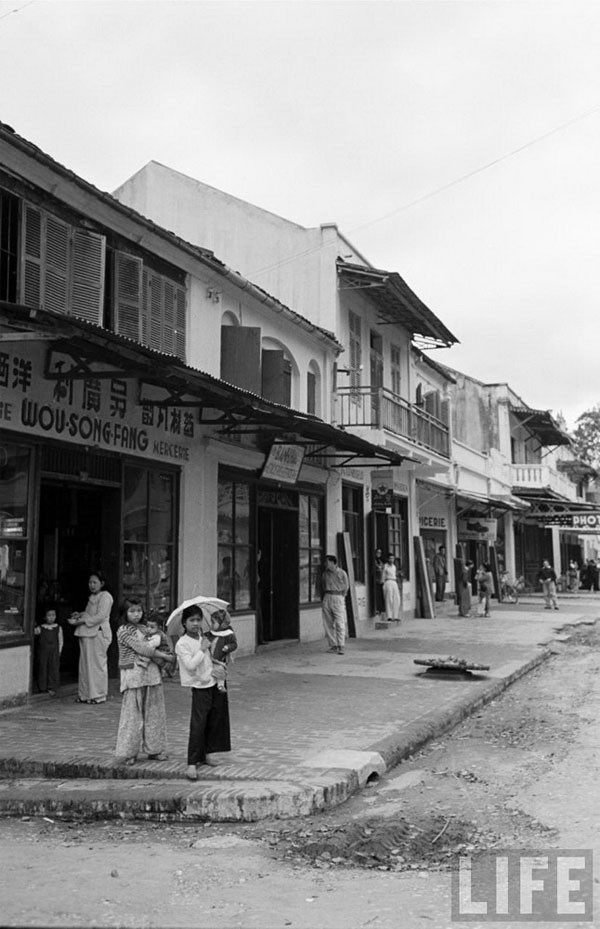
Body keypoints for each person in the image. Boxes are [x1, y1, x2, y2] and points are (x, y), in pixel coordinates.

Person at [115, 597, 173, 766]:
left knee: (155, 714)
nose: (136, 614)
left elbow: (159, 641)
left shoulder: (147, 628)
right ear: (125, 613)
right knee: (131, 716)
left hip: (152, 674)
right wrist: (162, 656)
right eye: (132, 611)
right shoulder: (123, 631)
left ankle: (155, 750)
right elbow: (142, 648)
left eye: (139, 610)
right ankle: (128, 752)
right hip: (133, 675)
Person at [175, 605, 231, 780]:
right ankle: (192, 762)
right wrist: (201, 649)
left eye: (198, 620)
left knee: (214, 719)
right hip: (200, 686)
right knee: (198, 723)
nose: (196, 623)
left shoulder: (205, 636)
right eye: (192, 620)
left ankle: (207, 753)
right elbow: (190, 665)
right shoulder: (182, 643)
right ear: (184, 623)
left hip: (214, 680)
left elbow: (213, 656)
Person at [68, 571, 113, 704]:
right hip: (86, 632)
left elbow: (100, 616)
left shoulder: (106, 596)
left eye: (95, 582)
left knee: (97, 665)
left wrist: (81, 621)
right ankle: (85, 694)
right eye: (90, 582)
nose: (92, 585)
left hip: (98, 633)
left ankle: (98, 695)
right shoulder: (92, 597)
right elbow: (90, 613)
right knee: (85, 665)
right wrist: (80, 614)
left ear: (102, 583)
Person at [321, 554, 349, 655]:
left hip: (338, 596)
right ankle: (333, 645)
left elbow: (346, 586)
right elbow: (322, 585)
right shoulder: (325, 574)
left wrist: (341, 596)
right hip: (327, 596)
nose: (325, 564)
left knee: (339, 622)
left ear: (333, 562)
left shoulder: (342, 573)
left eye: (327, 562)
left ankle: (341, 645)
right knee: (327, 622)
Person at [205, 609, 238, 692]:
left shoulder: (228, 634)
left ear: (222, 624)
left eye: (213, 622)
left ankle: (220, 685)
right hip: (210, 656)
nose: (211, 624)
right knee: (210, 669)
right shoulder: (211, 633)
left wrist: (228, 647)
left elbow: (234, 644)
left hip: (220, 657)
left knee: (220, 669)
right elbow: (206, 637)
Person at [34, 603, 63, 695]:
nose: (51, 617)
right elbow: (34, 632)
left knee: (53, 669)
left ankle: (52, 687)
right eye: (49, 615)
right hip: (43, 652)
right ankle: (42, 687)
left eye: (53, 615)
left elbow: (60, 640)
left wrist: (59, 651)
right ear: (44, 617)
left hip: (54, 652)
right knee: (42, 668)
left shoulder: (58, 628)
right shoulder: (41, 628)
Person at [382, 552, 402, 622]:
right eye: (390, 558)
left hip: (394, 581)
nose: (391, 560)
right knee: (389, 599)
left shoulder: (394, 567)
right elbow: (383, 576)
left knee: (397, 599)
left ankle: (395, 616)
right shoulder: (385, 566)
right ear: (387, 559)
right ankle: (389, 616)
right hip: (388, 581)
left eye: (393, 558)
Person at [373, 548, 385, 615]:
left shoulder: (380, 561)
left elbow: (382, 568)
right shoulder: (374, 561)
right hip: (376, 580)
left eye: (380, 553)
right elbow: (378, 568)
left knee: (381, 595)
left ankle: (381, 609)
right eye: (377, 552)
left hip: (381, 580)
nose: (379, 554)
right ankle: (377, 609)